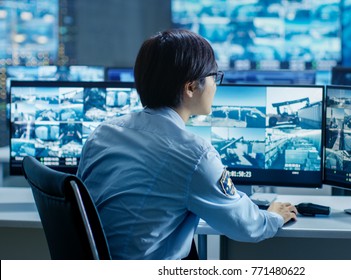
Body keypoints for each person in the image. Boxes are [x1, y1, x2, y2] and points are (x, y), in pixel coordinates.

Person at [76, 29, 297, 260]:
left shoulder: (103, 133)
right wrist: (274, 216)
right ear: (191, 87)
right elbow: (245, 226)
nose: (216, 85)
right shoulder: (194, 154)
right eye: (214, 76)